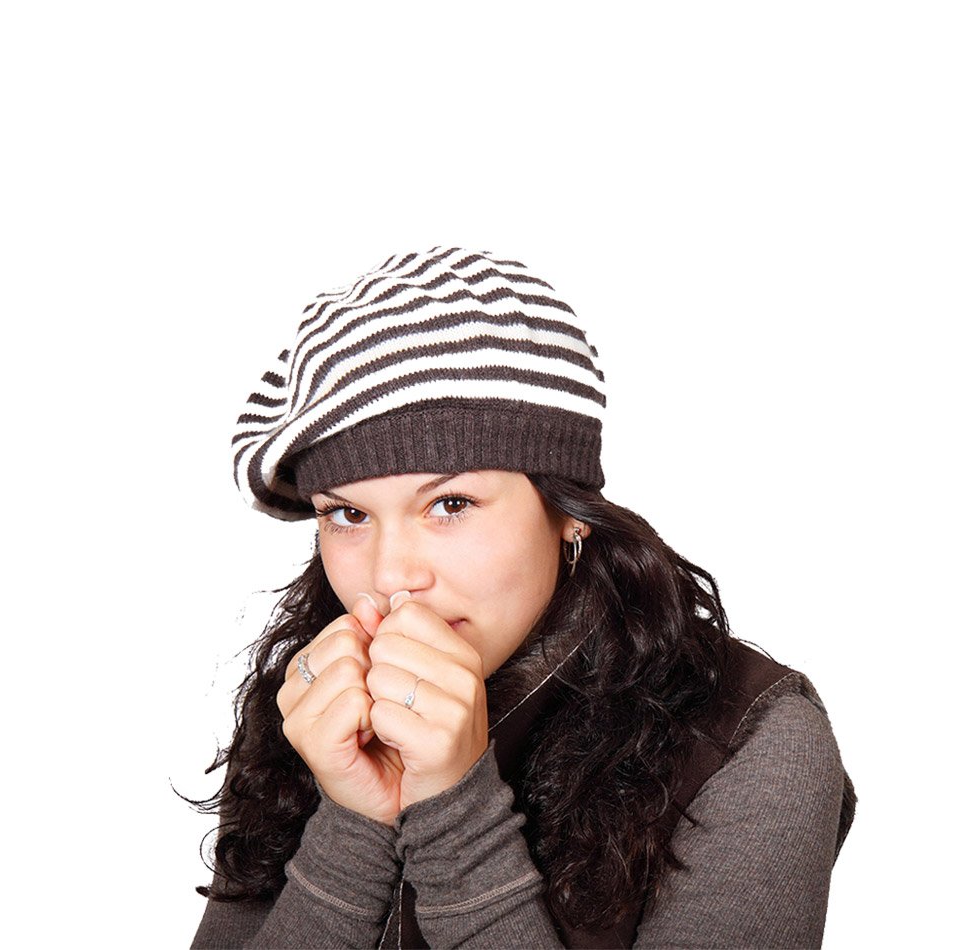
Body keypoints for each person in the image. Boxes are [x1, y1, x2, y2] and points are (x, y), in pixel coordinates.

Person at [184, 248, 856, 948]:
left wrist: (456, 814)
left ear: (569, 511)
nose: (390, 576)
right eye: (348, 515)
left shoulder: (753, 738)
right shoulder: (308, 703)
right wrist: (350, 825)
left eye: (450, 503)